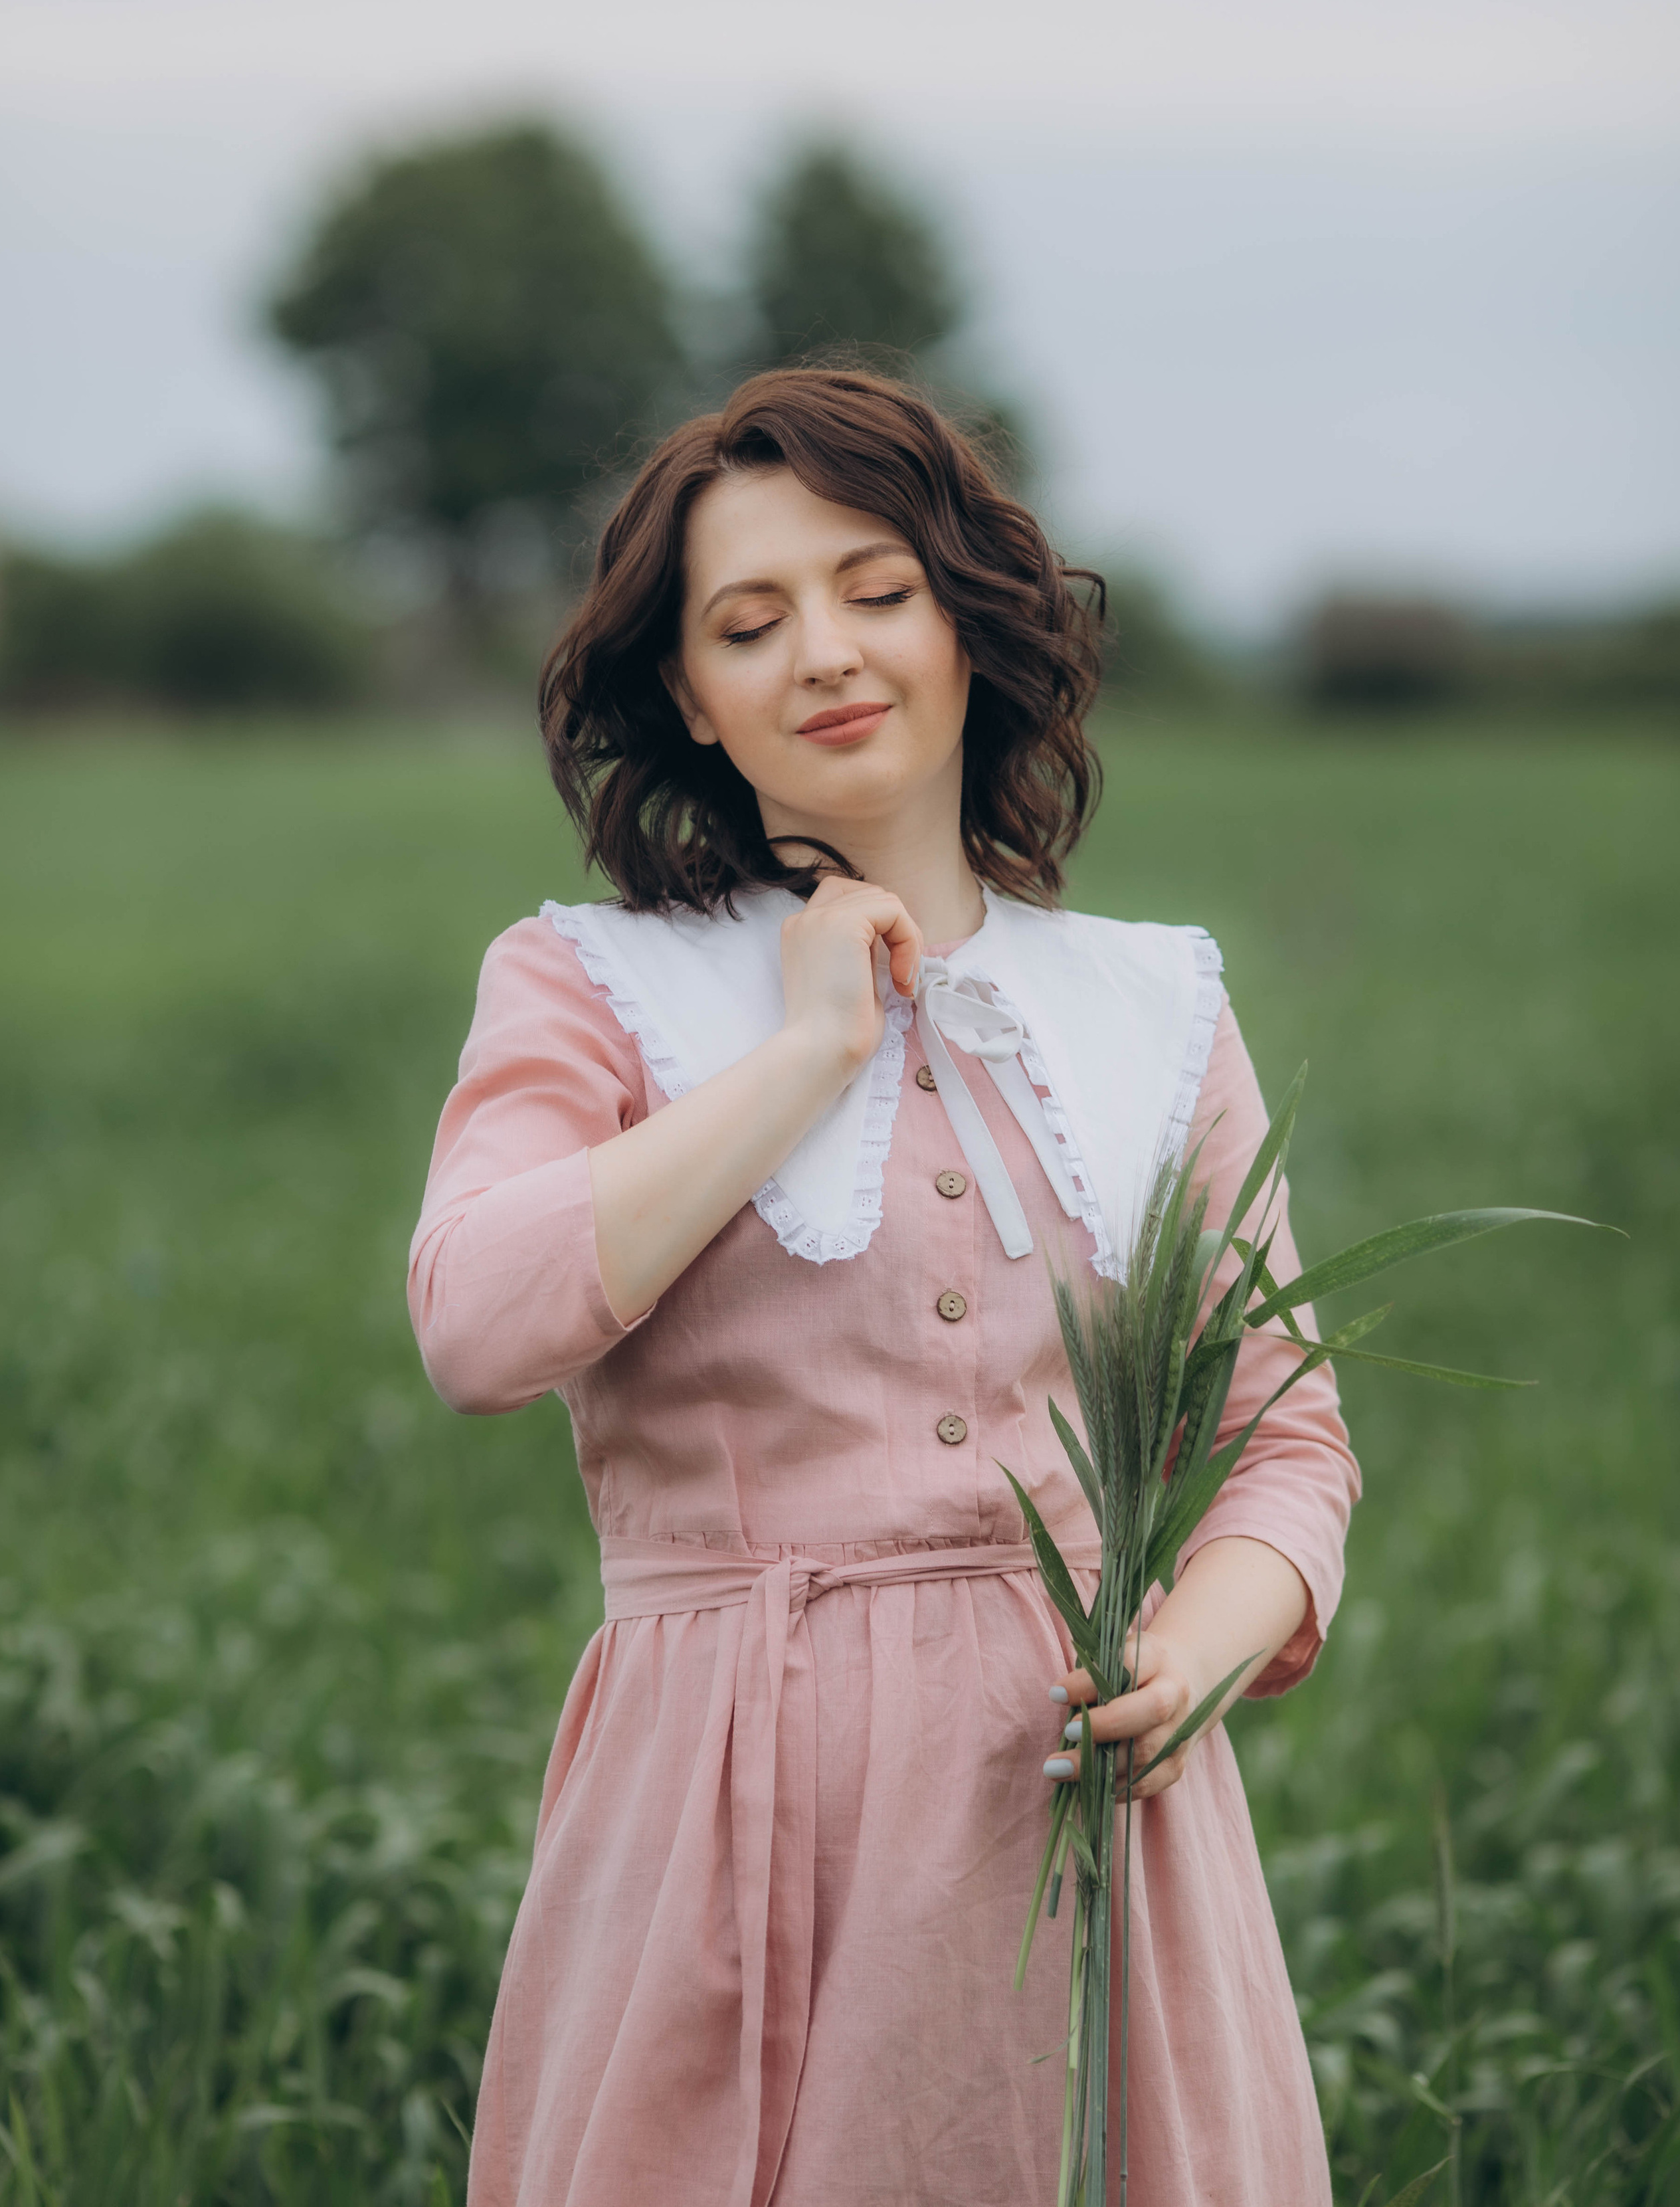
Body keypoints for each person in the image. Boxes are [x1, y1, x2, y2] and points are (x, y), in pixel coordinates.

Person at [408, 368, 1360, 2207]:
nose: (825, 653)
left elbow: (1288, 1441)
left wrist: (1200, 1649)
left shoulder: (1152, 1006)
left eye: (877, 591)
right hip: (725, 1807)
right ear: (690, 694)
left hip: (1083, 1804)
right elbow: (472, 1324)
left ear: (965, 622)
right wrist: (804, 1056)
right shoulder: (587, 981)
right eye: (748, 623)